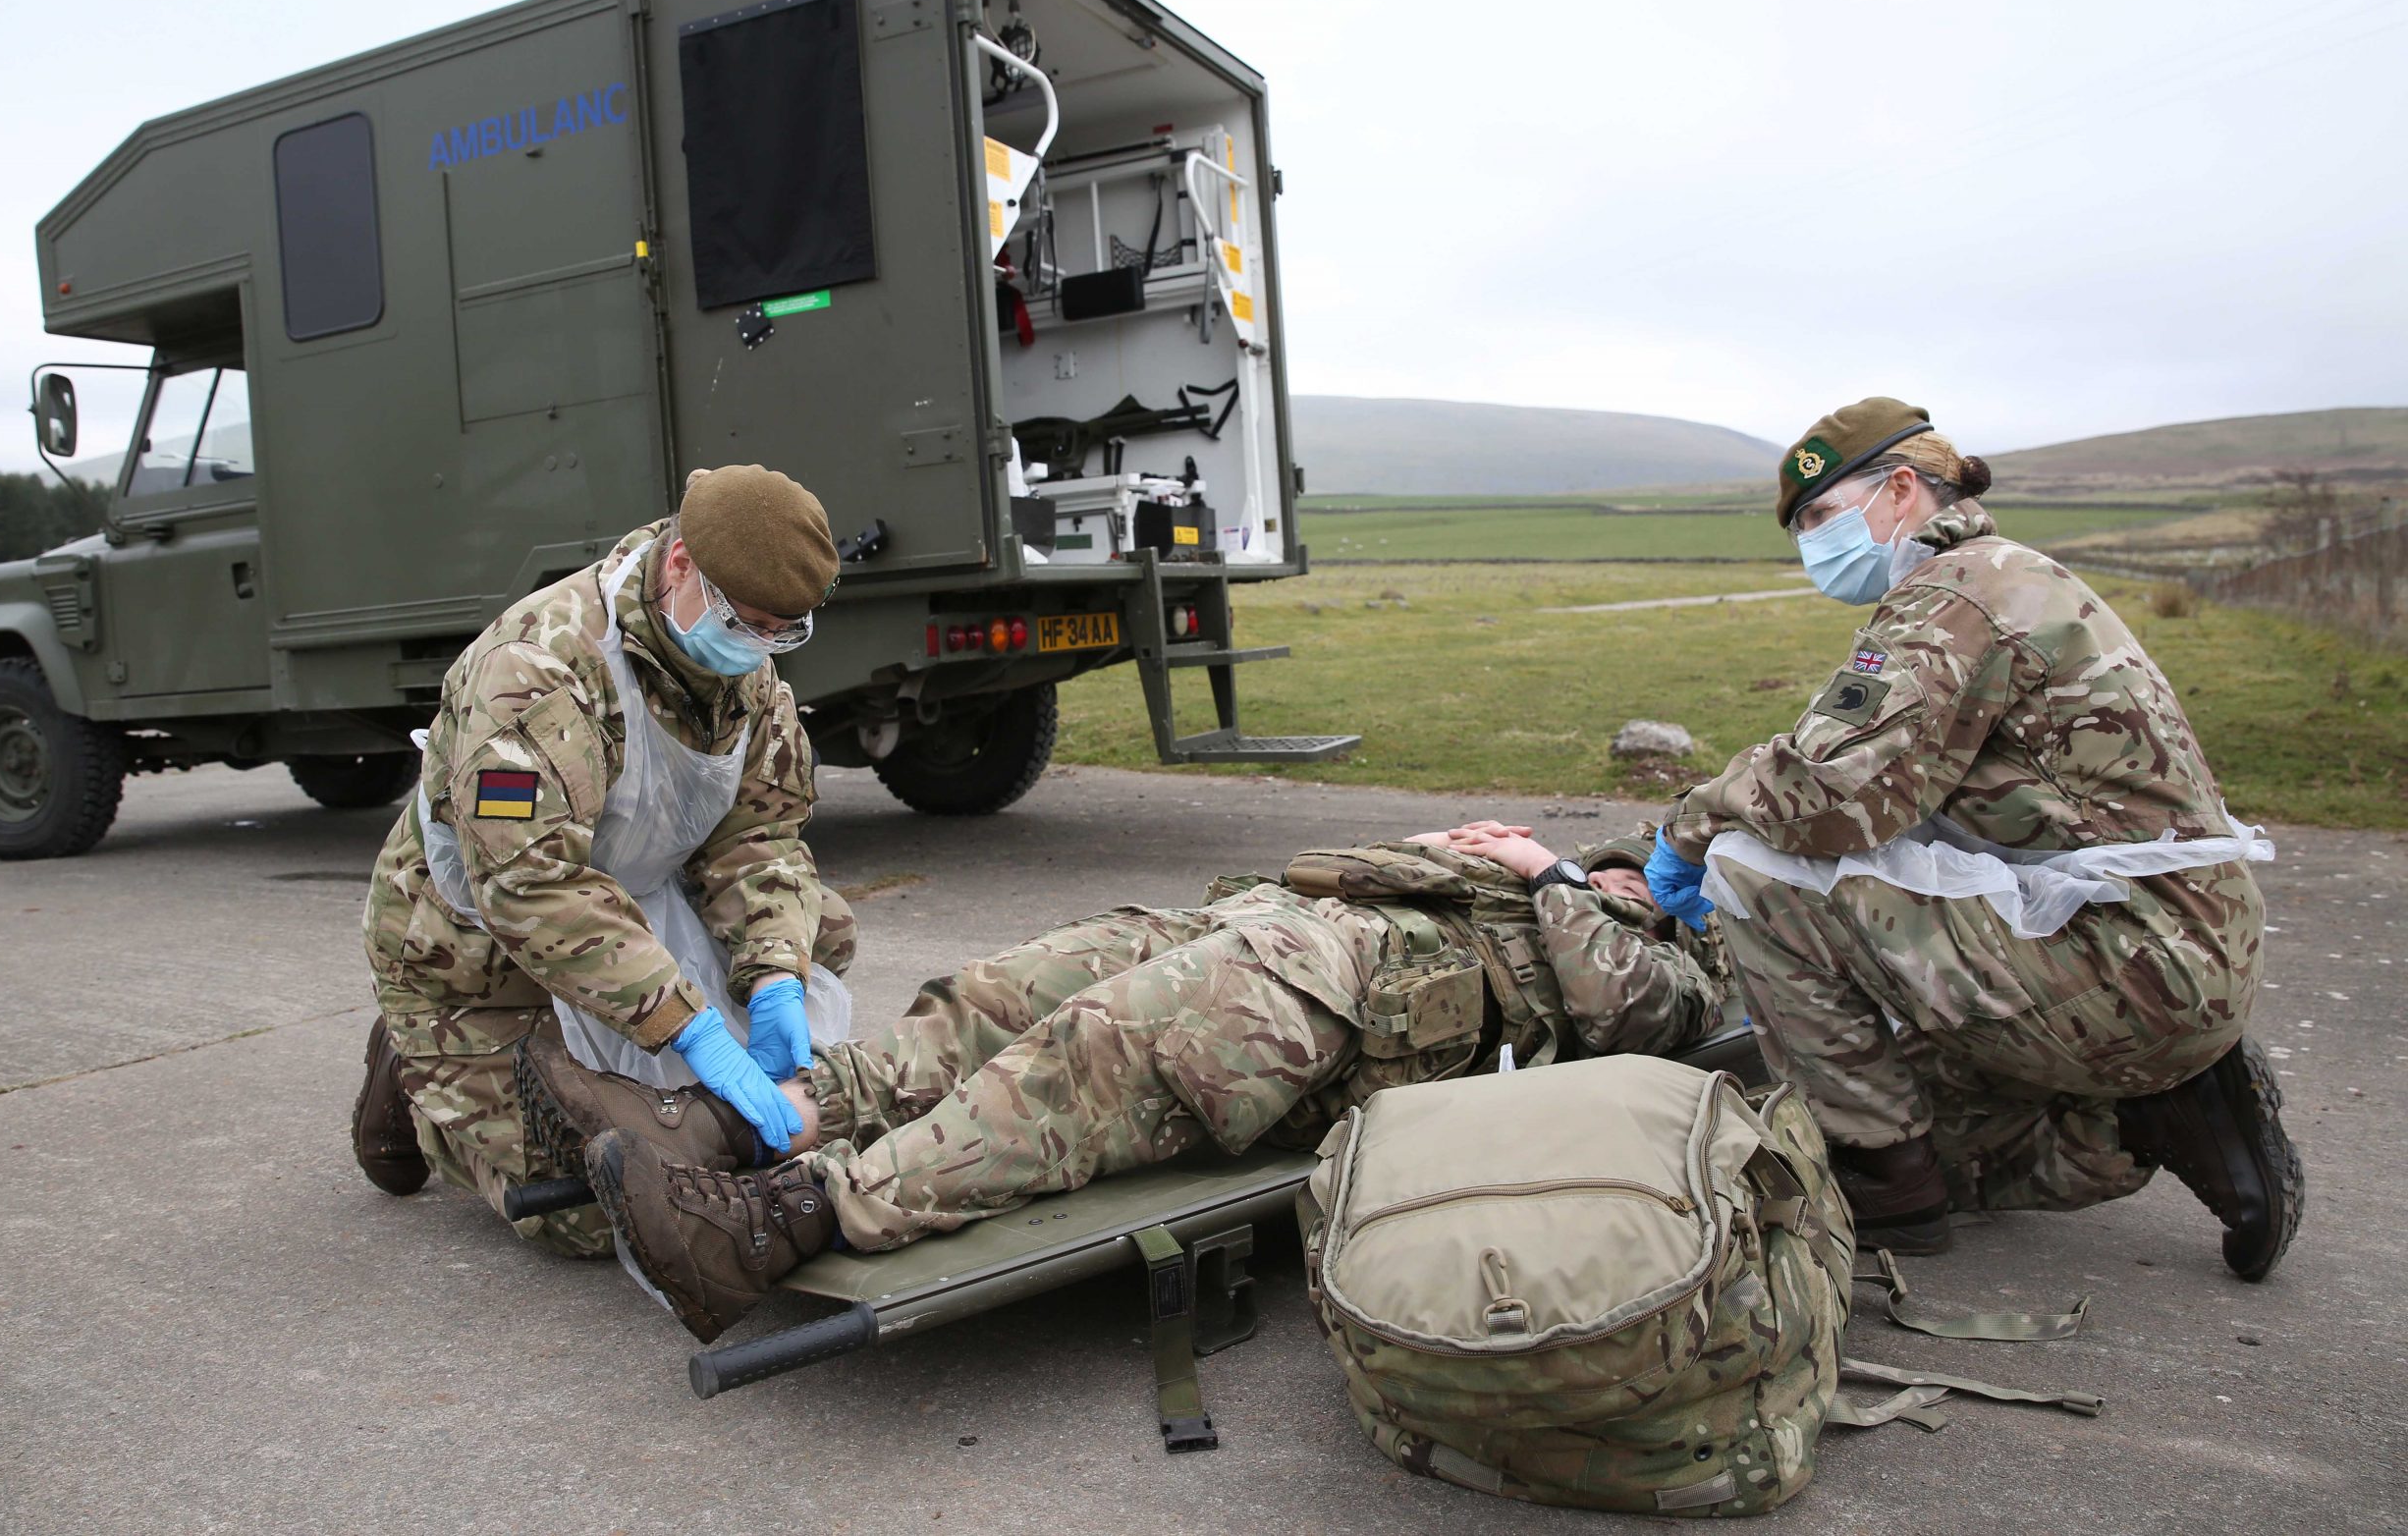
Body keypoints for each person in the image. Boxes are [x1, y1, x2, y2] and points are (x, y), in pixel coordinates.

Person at [520, 827, 1729, 1342]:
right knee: (998, 994)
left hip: (1352, 1002)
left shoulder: (1674, 967)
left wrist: (1550, 869)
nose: (1631, 878)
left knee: (1092, 1058)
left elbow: (1624, 1008)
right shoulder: (1555, 885)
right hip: (1278, 924)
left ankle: (785, 1217)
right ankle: (743, 1121)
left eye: (1644, 880)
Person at [1641, 397, 2299, 1278]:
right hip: (2176, 948)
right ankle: (2146, 1115)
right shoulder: (2006, 572)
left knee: (1754, 872)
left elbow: (1823, 792)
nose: (1810, 546)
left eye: (1821, 517)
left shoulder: (1953, 599)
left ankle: (1887, 1185)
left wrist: (1688, 827)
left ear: (1902, 489)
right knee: (1937, 1110)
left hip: (2133, 963)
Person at [352, 466, 856, 1256]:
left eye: (779, 632)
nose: (758, 648)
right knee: (589, 1209)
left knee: (816, 931)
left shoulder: (738, 673)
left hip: (628, 907)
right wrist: (691, 1029)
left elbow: (761, 837)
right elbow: (532, 885)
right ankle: (419, 1075)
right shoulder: (536, 674)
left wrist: (775, 975)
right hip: (482, 953)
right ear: (681, 562)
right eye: (746, 622)